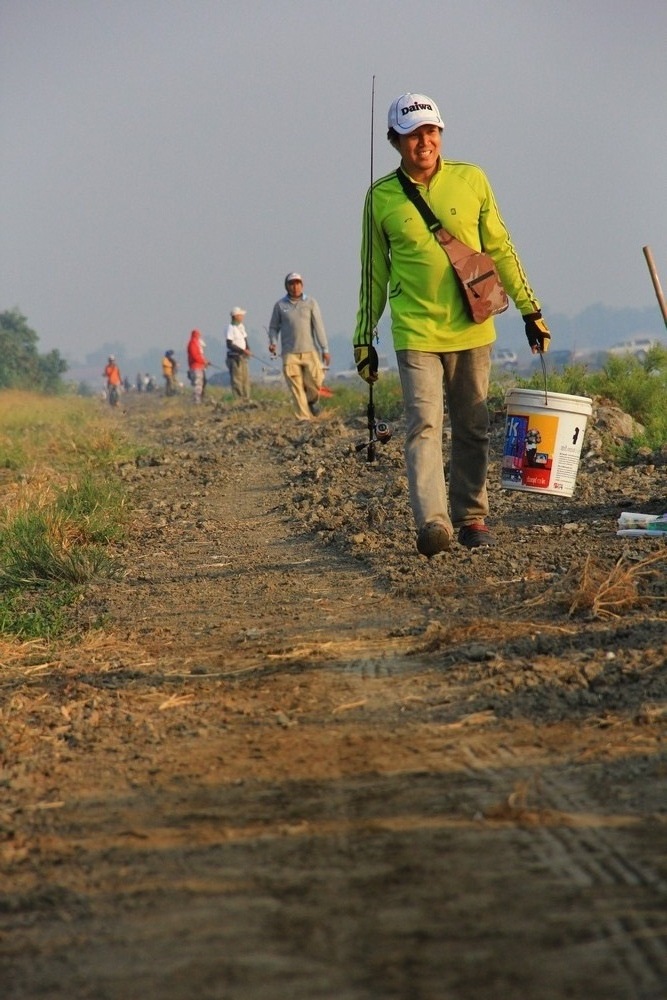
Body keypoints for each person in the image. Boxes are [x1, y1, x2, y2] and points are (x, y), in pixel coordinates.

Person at [353, 92, 551, 555]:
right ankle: (433, 524)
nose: (423, 142)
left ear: (440, 134)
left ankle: (471, 518)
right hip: (415, 330)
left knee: (472, 425)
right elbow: (372, 273)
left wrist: (530, 310)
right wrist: (365, 336)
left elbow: (501, 248)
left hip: (472, 327)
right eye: (412, 135)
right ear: (395, 141)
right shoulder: (380, 197)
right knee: (423, 423)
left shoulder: (472, 179)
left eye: (430, 132)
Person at [268, 273, 330, 421]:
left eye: (297, 283)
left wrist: (325, 349)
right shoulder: (280, 306)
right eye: (291, 284)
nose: (295, 287)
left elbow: (319, 327)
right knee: (296, 388)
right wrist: (273, 341)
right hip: (290, 354)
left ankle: (312, 400)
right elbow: (273, 327)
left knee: (316, 381)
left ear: (302, 285)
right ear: (287, 286)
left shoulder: (311, 303)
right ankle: (304, 419)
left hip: (310, 351)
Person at [225, 307, 251, 400]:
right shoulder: (230, 328)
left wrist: (247, 349)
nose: (243, 316)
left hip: (243, 357)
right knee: (237, 380)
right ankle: (239, 399)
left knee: (245, 379)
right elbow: (229, 344)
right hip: (235, 358)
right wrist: (242, 350)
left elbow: (245, 340)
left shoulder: (241, 327)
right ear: (235, 316)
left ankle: (246, 398)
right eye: (241, 315)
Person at [187, 329, 210, 404]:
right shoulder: (193, 343)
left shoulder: (196, 343)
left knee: (202, 384)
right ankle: (196, 401)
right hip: (196, 367)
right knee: (198, 385)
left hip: (200, 367)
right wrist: (204, 361)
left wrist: (205, 361)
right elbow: (195, 356)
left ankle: (200, 400)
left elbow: (199, 355)